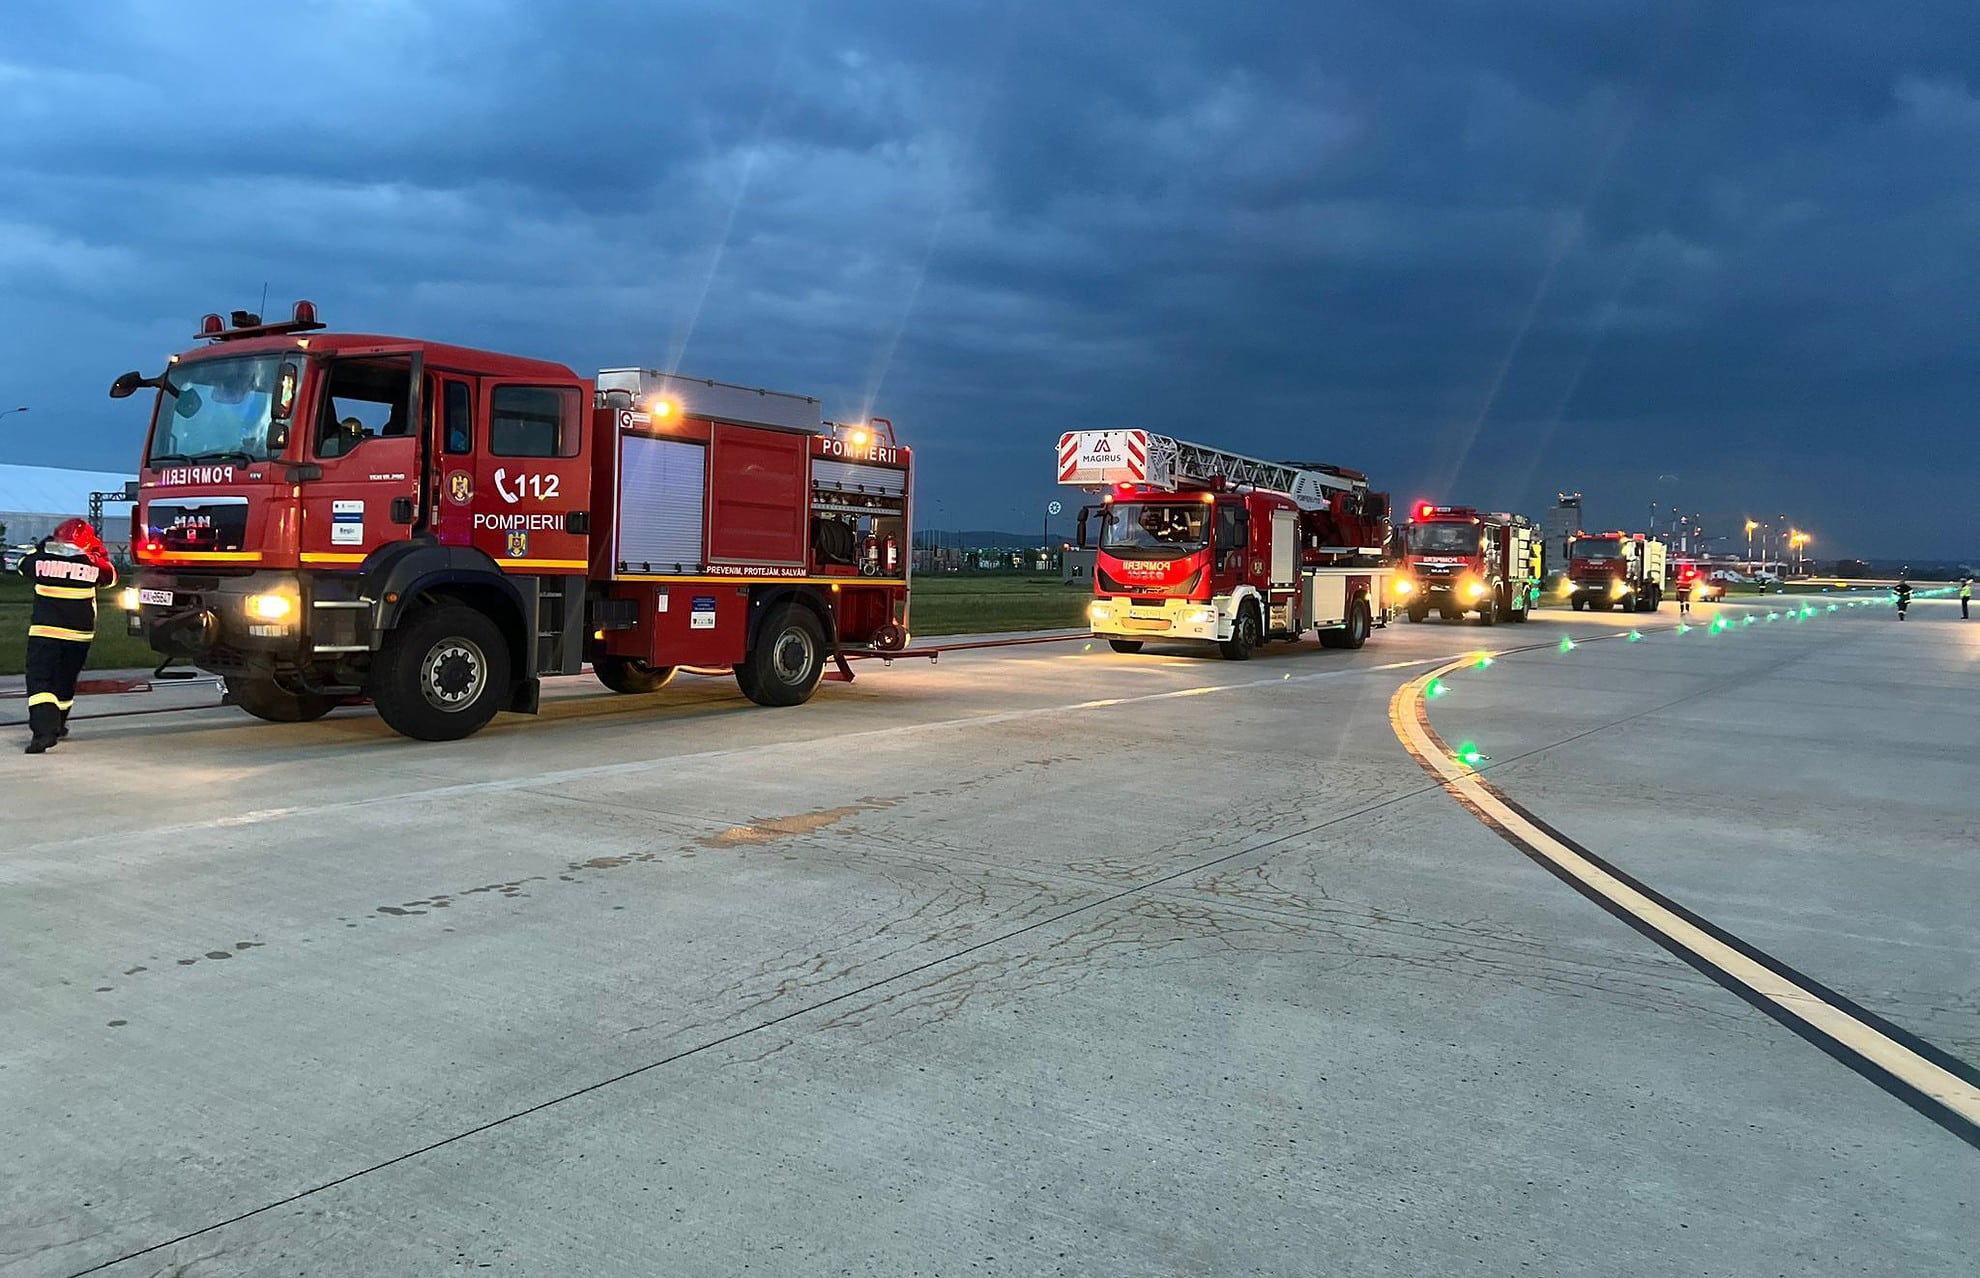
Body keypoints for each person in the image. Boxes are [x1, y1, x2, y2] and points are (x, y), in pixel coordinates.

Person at [17, 518, 117, 754]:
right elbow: (111, 578)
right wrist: (97, 553)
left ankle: (43, 733)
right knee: (65, 680)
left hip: (46, 632)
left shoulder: (41, 561)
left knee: (40, 682)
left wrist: (43, 546)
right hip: (80, 636)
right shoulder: (92, 565)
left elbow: (22, 564)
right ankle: (59, 725)